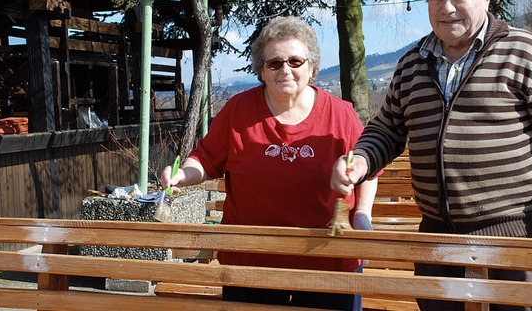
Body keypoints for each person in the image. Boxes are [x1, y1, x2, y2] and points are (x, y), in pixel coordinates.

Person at [330, 0, 532, 311]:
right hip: (438, 244)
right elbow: (387, 129)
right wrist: (361, 160)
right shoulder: (412, 64)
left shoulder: (524, 52)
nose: (446, 8)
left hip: (518, 244)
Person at [160, 15, 377, 310]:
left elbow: (369, 165)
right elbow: (206, 159)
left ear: (312, 66)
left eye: (295, 62)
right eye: (274, 63)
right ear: (261, 70)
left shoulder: (340, 114)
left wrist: (362, 214)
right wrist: (182, 176)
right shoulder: (238, 110)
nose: (284, 70)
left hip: (328, 261)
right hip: (251, 262)